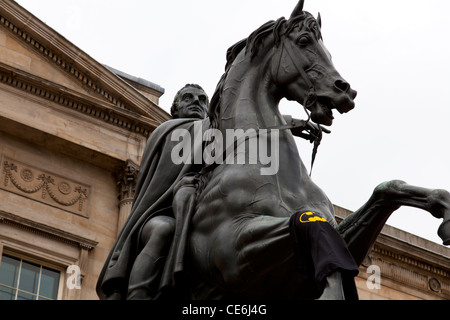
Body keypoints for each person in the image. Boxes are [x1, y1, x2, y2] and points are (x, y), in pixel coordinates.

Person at [96, 84, 209, 300]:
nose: (196, 102)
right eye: (188, 98)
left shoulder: (213, 133)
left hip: (197, 212)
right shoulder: (167, 132)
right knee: (163, 230)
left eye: (202, 100)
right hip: (157, 215)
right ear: (175, 110)